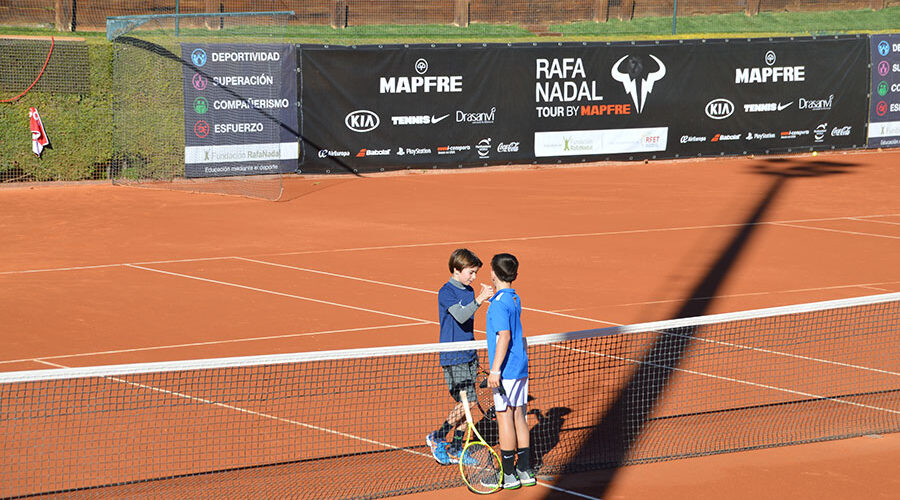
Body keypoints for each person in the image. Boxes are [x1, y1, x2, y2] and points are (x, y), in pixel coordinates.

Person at [426, 248, 493, 465]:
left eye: (475, 273)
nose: (474, 277)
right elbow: (462, 316)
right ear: (456, 269)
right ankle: (437, 436)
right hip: (453, 356)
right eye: (470, 272)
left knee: (466, 404)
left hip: (468, 354)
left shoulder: (468, 291)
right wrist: (481, 299)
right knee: (469, 402)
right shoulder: (446, 292)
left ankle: (455, 448)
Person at [485, 253, 534, 488]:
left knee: (504, 417)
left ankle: (508, 475)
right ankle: (525, 470)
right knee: (520, 416)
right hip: (521, 367)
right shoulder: (514, 298)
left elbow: (503, 336)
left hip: (506, 371)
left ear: (494, 273)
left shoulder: (497, 305)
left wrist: (495, 371)